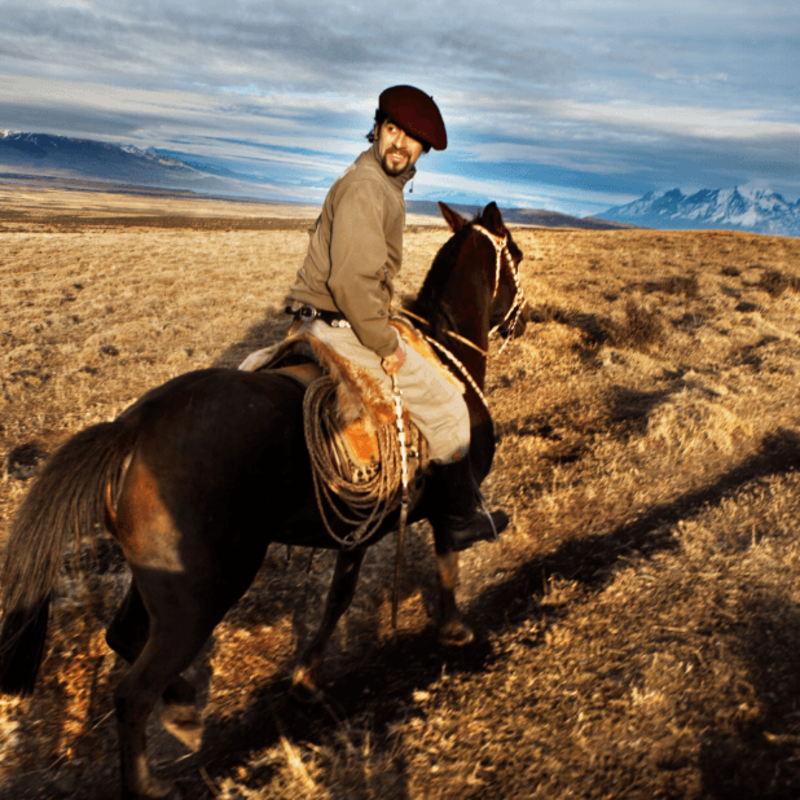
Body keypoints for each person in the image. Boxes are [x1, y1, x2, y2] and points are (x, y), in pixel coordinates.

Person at [286, 84, 508, 551]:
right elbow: (351, 284)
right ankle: (460, 519)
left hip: (323, 318)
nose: (399, 145)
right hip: (343, 325)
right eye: (392, 131)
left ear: (422, 151)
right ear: (377, 129)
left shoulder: (378, 184)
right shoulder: (369, 188)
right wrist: (386, 346)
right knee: (449, 407)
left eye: (411, 140)